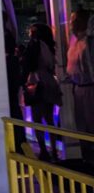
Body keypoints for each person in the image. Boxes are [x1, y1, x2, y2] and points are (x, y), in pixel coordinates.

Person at [23, 22, 61, 161]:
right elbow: (51, 64)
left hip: (36, 82)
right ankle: (54, 150)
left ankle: (44, 151)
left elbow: (29, 64)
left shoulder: (35, 46)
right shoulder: (49, 47)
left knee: (37, 119)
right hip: (49, 81)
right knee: (49, 118)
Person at [66, 9, 94, 163]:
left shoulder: (89, 40)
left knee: (91, 123)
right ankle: (86, 157)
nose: (72, 23)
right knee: (81, 124)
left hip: (90, 86)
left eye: (74, 20)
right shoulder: (74, 40)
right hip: (78, 88)